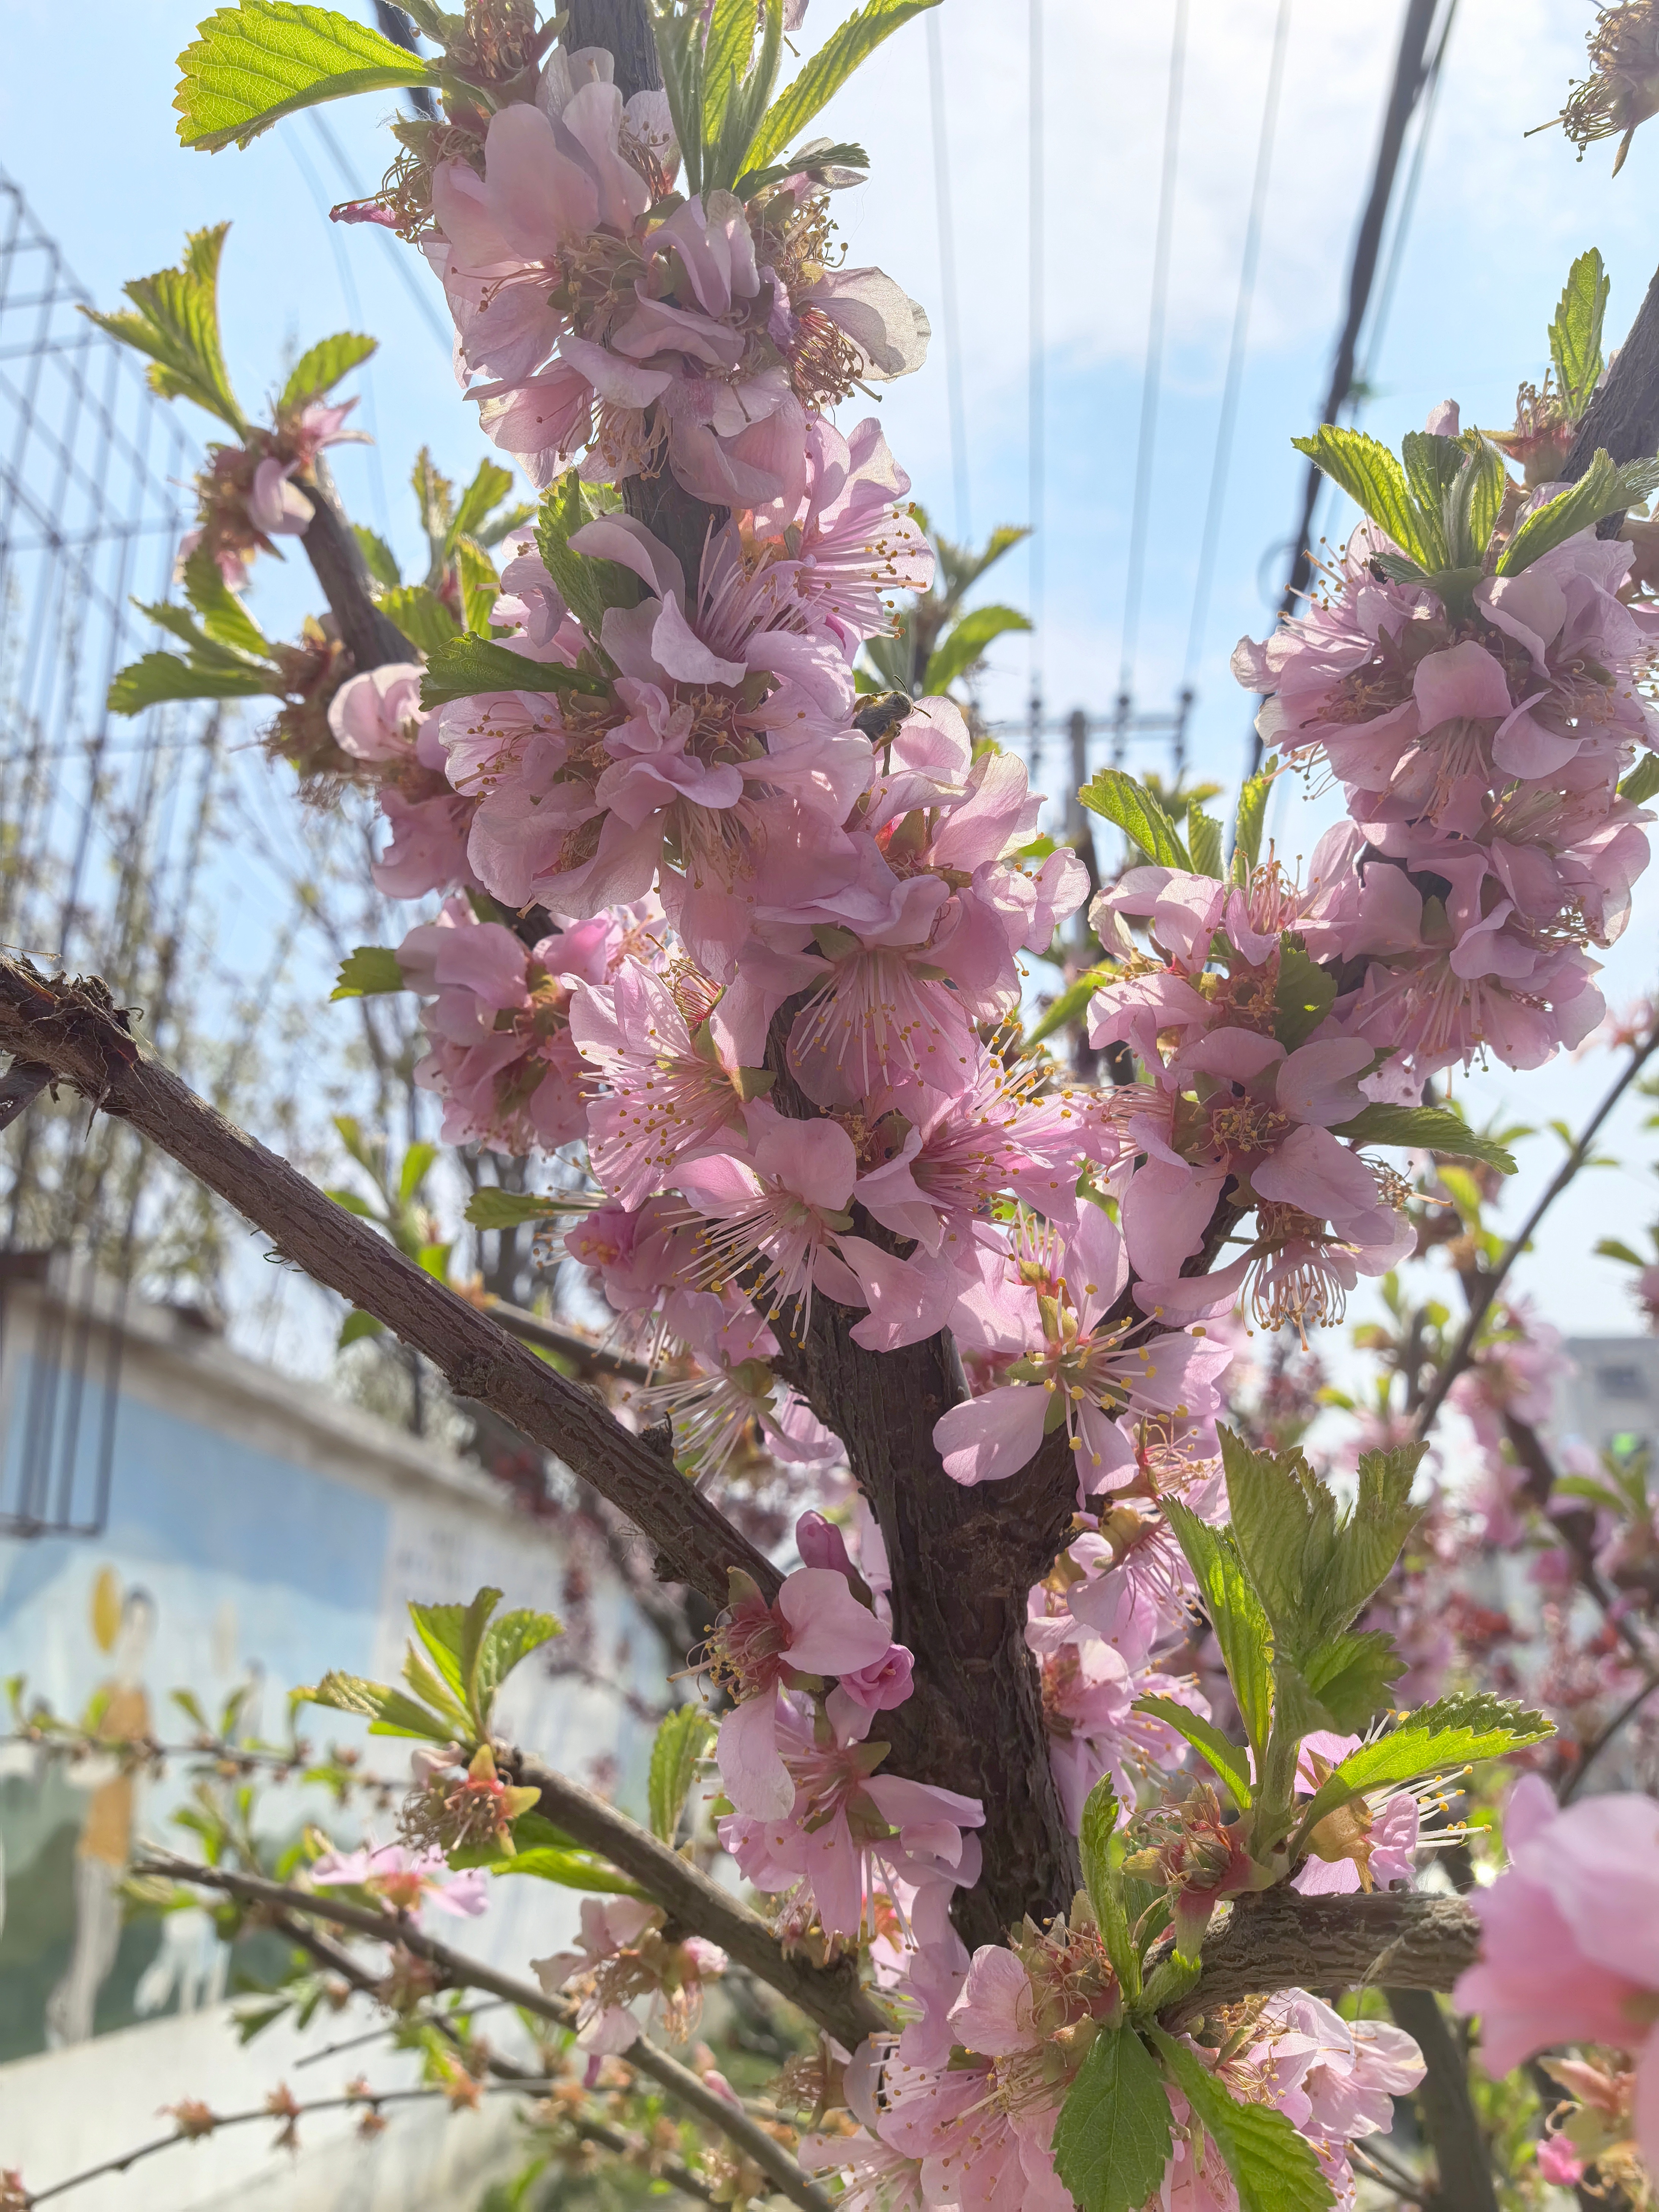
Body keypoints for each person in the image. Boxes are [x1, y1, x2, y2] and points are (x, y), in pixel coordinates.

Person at [44, 1586, 155, 2047]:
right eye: (131, 1623)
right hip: (94, 1847)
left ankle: (58, 2009)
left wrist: (143, 1832)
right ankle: (78, 2048)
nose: (137, 1635)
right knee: (89, 1954)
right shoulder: (103, 1696)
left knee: (105, 1956)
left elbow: (145, 1772)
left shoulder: (143, 1702)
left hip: (120, 1849)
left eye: (145, 1627)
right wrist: (110, 1764)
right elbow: (75, 1770)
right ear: (120, 1629)